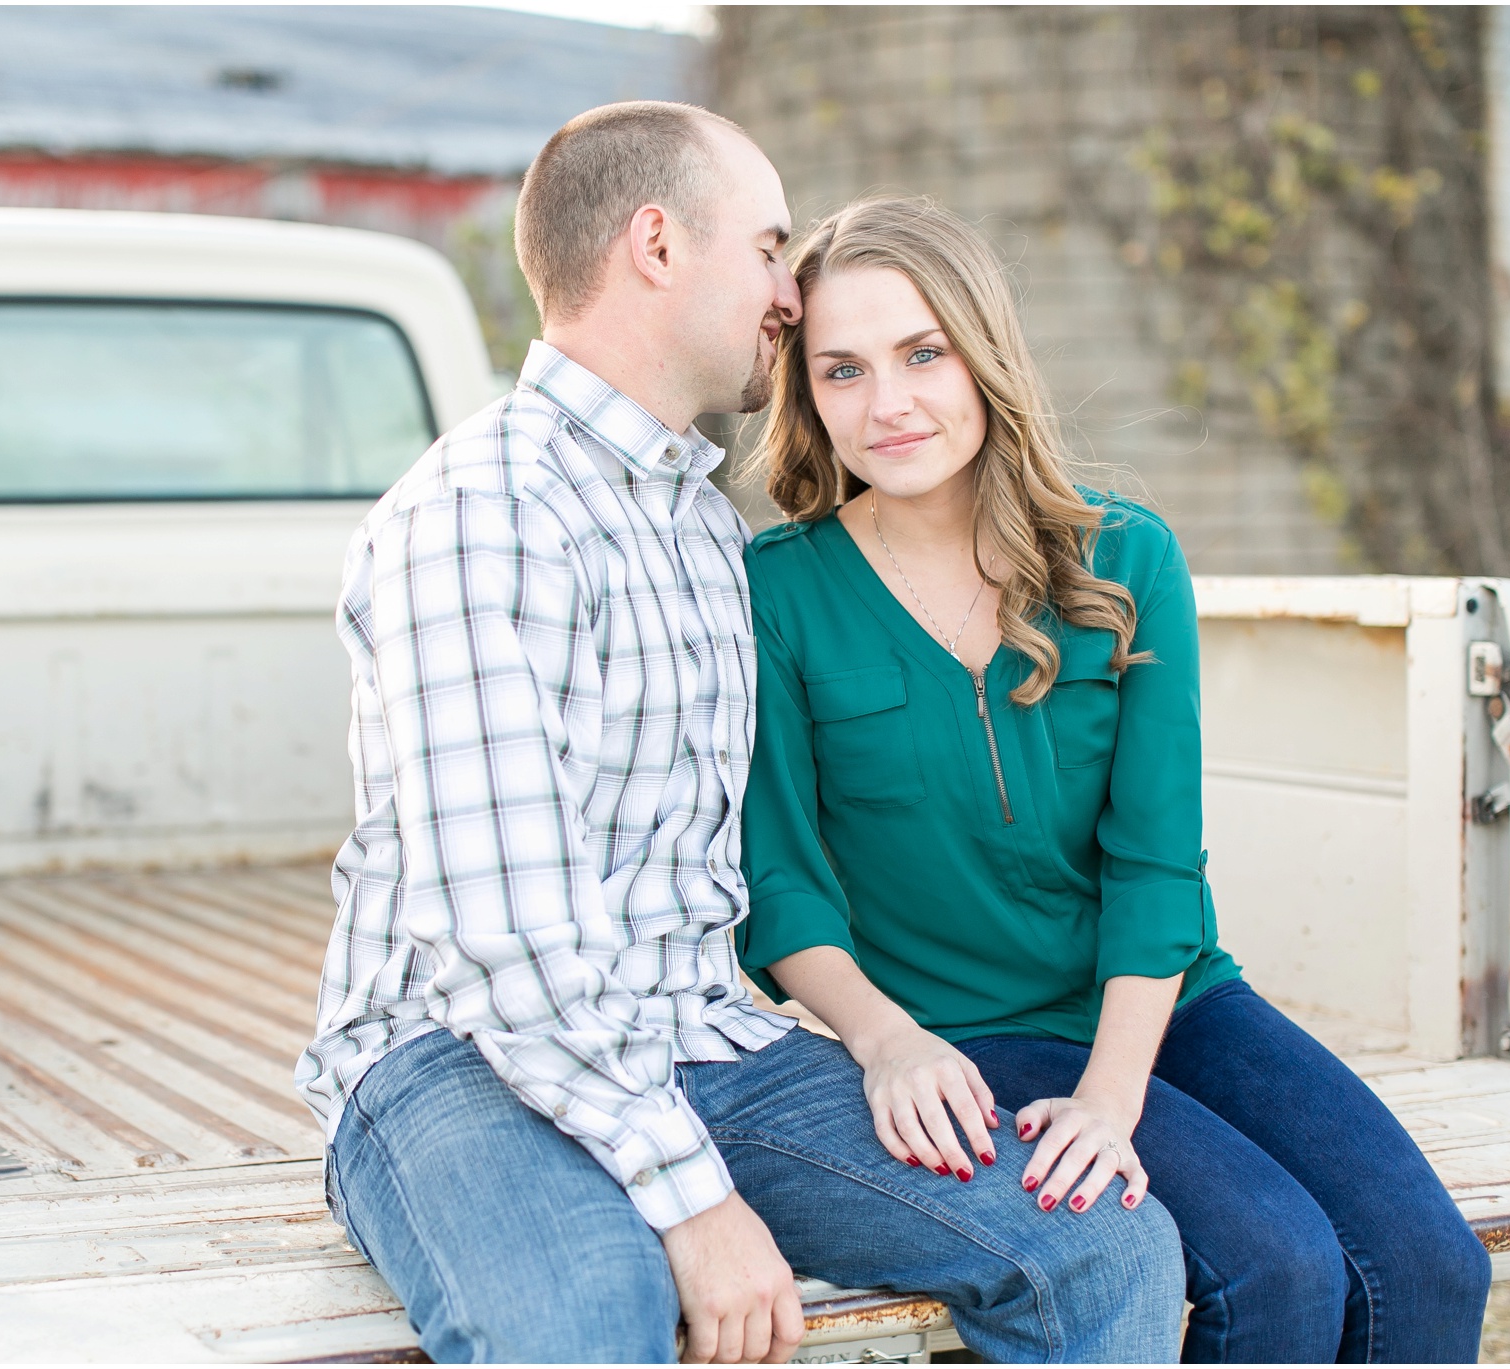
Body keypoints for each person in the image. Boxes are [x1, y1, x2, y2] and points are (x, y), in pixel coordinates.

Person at [296, 101, 1185, 1366]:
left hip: (700, 1032)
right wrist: (693, 1200)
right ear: (656, 244)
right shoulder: (482, 515)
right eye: (768, 247)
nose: (789, 289)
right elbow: (507, 943)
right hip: (458, 1055)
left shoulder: (699, 524)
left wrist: (876, 1047)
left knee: (1095, 1242)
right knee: (588, 1318)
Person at [736, 194, 1495, 1364]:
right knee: (1275, 1268)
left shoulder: (1124, 557)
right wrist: (884, 1042)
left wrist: (1111, 1094)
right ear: (807, 396)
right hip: (966, 1032)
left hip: (1166, 998)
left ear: (983, 357)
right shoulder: (779, 591)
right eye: (841, 371)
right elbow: (781, 882)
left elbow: (1154, 861)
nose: (885, 404)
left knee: (1427, 1261)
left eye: (920, 354)